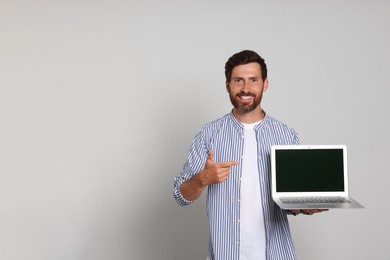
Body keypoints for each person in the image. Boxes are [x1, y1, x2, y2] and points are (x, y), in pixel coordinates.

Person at [173, 50, 326, 260]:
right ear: (228, 85)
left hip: (276, 255)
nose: (246, 88)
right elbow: (180, 196)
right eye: (238, 80)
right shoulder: (209, 134)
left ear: (265, 84)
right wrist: (202, 179)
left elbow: (289, 200)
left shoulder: (286, 135)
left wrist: (304, 207)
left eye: (253, 80)